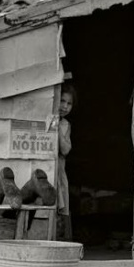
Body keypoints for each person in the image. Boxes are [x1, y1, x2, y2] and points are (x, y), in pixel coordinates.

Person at [56, 82, 76, 241]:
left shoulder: (65, 125)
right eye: (62, 101)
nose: (65, 106)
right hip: (46, 170)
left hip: (59, 170)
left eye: (69, 103)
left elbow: (65, 150)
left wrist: (56, 129)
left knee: (60, 205)